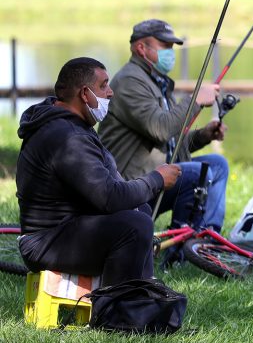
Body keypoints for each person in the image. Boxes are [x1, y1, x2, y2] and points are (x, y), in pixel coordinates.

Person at [16, 57, 181, 285]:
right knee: (134, 226)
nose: (110, 92)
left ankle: (140, 287)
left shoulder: (73, 124)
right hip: (45, 243)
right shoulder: (67, 136)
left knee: (139, 210)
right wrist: (157, 179)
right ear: (85, 93)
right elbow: (109, 198)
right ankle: (117, 307)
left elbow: (107, 190)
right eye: (103, 85)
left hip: (65, 232)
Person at [99, 19, 229, 231]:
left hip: (155, 175)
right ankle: (179, 250)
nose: (170, 53)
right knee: (197, 174)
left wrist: (204, 135)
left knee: (217, 164)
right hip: (129, 187)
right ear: (141, 48)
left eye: (172, 47)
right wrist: (196, 99)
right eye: (165, 46)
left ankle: (206, 238)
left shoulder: (156, 81)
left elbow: (170, 142)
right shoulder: (130, 82)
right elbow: (161, 129)